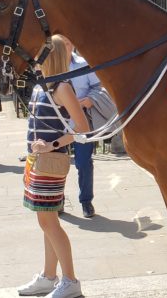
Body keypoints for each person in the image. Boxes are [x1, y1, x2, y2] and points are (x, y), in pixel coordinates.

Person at [16, 34, 88, 298]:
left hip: (51, 162)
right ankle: (49, 277)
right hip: (37, 163)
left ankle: (70, 281)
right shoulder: (42, 86)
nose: (36, 56)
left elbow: (82, 128)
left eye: (41, 52)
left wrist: (52, 145)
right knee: (46, 222)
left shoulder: (61, 87)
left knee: (49, 222)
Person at [61, 37, 108, 219]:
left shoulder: (83, 64)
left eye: (67, 43)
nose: (65, 47)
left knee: (83, 163)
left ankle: (86, 201)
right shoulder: (49, 64)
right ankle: (58, 200)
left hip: (81, 124)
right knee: (59, 163)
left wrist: (91, 99)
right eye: (61, 43)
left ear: (73, 44)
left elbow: (99, 87)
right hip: (59, 124)